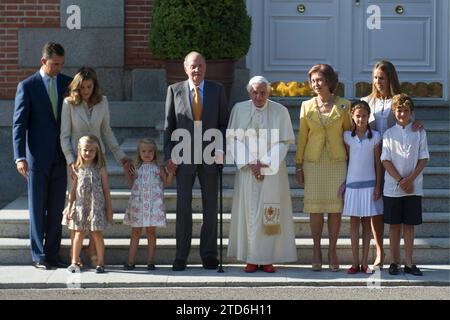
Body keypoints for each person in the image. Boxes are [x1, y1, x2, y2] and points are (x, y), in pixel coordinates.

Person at [60, 66, 132, 267]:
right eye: (82, 87)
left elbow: (107, 132)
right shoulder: (69, 103)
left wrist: (121, 157)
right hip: (77, 162)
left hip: (98, 160)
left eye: (89, 87)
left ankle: (93, 250)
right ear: (77, 87)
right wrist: (70, 160)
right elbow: (64, 136)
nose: (85, 91)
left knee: (96, 207)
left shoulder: (103, 102)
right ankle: (75, 257)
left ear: (94, 86)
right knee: (77, 207)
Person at [164, 51, 229, 271]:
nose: (196, 70)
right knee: (183, 208)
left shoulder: (217, 90)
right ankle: (181, 255)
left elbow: (223, 124)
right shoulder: (174, 91)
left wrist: (220, 149)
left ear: (205, 67)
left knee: (210, 207)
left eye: (200, 66)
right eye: (193, 66)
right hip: (183, 158)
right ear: (185, 68)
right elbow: (168, 127)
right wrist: (169, 156)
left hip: (210, 156)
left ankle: (209, 255)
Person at [226, 76, 297, 273]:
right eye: (255, 92)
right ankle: (250, 258)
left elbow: (285, 142)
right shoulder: (239, 109)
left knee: (270, 212)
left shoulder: (280, 111)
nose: (259, 96)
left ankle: (267, 259)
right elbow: (232, 139)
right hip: (248, 172)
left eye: (263, 92)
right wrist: (252, 163)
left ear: (269, 92)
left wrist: (264, 164)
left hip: (271, 172)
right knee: (248, 213)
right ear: (249, 92)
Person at [12, 42, 72, 270]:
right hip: (36, 158)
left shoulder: (67, 84)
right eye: (55, 64)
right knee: (37, 208)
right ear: (43, 61)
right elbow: (19, 125)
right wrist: (19, 157)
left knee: (56, 208)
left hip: (61, 156)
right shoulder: (27, 86)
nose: (59, 68)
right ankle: (38, 255)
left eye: (61, 64)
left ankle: (53, 254)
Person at [362, 60, 423, 269]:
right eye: (376, 78)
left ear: (390, 79)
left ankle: (401, 259)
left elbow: (410, 123)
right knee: (375, 206)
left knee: (387, 205)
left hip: (393, 159)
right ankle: (380, 250)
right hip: (370, 156)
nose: (378, 81)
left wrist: (417, 123)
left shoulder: (398, 102)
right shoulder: (367, 101)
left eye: (382, 78)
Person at [295, 64, 352, 272]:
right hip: (313, 163)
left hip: (337, 162)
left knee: (335, 209)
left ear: (329, 81)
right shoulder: (306, 105)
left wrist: (353, 165)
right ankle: (317, 250)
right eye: (313, 80)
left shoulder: (345, 105)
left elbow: (349, 136)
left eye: (319, 80)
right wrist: (298, 164)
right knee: (315, 209)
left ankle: (332, 251)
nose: (316, 84)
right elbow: (302, 137)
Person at [381, 94, 429, 276]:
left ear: (411, 112)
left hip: (414, 187)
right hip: (393, 188)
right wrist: (401, 181)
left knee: (409, 226)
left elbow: (423, 158)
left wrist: (410, 180)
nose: (402, 113)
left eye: (406, 110)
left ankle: (409, 263)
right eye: (399, 110)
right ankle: (394, 262)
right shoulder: (388, 134)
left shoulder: (419, 132)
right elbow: (385, 160)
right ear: (394, 111)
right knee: (394, 227)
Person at [342, 101, 383, 275]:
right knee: (353, 224)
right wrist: (343, 182)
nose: (361, 119)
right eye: (358, 116)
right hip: (352, 185)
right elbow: (345, 160)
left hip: (369, 185)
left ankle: (365, 262)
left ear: (369, 117)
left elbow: (378, 164)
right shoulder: (346, 136)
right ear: (352, 116)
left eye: (364, 116)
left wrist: (378, 186)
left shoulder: (375, 136)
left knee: (367, 224)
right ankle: (354, 262)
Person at [123, 139, 174, 271]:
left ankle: (150, 261)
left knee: (151, 232)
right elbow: (131, 184)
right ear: (139, 153)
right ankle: (130, 261)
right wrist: (126, 172)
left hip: (153, 205)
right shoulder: (136, 167)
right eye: (144, 151)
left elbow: (167, 182)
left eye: (150, 151)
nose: (147, 153)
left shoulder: (158, 168)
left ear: (155, 153)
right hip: (138, 205)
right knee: (135, 232)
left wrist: (172, 171)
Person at [65, 135, 113, 274]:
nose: (88, 153)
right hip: (80, 206)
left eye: (92, 150)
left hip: (96, 207)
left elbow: (106, 190)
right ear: (79, 150)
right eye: (85, 150)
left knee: (97, 233)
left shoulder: (100, 168)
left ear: (97, 152)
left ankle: (100, 262)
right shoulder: (77, 168)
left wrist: (109, 209)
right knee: (78, 233)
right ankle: (74, 261)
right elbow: (73, 190)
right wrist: (69, 206)